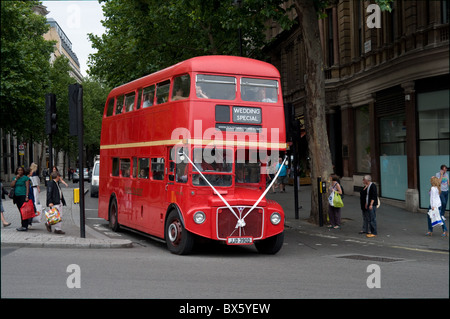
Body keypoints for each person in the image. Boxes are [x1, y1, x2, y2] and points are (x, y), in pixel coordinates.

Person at [11, 167, 30, 231]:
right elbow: (12, 185)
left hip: (23, 195)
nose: (20, 171)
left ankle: (24, 225)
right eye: (19, 170)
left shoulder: (26, 178)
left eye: (21, 170)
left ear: (23, 171)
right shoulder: (15, 178)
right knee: (20, 211)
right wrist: (16, 178)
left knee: (23, 211)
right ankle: (23, 225)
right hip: (16, 196)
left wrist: (27, 196)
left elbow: (27, 187)